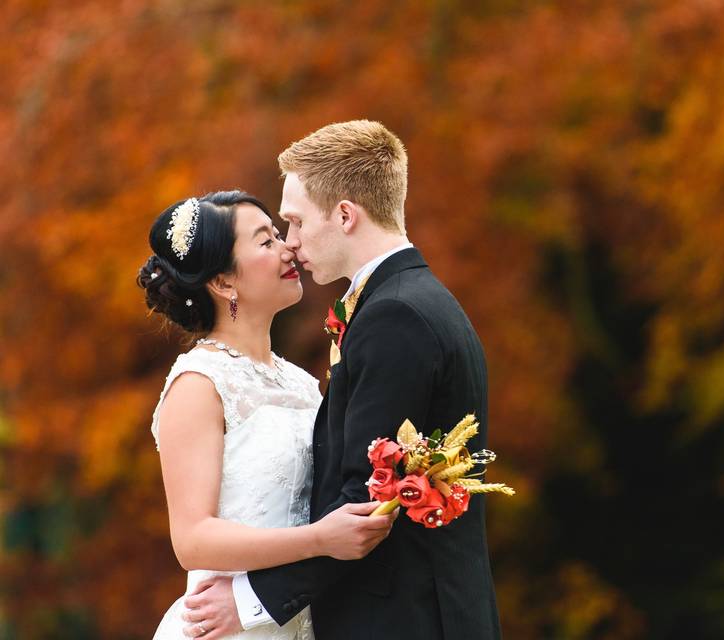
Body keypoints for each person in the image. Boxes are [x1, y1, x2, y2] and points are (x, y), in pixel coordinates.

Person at [181, 121, 502, 639]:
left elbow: (366, 500)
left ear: (345, 216)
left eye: (296, 222)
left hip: (407, 619)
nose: (291, 242)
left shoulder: (396, 316)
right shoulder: (412, 302)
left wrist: (253, 599)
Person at [138, 190, 397, 639]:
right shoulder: (199, 384)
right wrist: (319, 539)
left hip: (301, 618)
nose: (288, 248)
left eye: (279, 234)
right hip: (223, 624)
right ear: (222, 282)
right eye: (265, 241)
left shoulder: (300, 382)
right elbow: (193, 538)